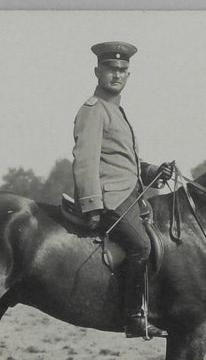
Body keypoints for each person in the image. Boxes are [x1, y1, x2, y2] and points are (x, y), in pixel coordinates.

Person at [71, 41, 173, 339]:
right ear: (97, 71)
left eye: (122, 70)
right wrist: (92, 205)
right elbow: (85, 159)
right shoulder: (93, 110)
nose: (116, 74)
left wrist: (152, 171)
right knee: (141, 246)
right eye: (110, 68)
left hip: (128, 195)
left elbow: (123, 160)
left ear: (128, 74)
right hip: (109, 198)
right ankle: (133, 318)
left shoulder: (116, 111)